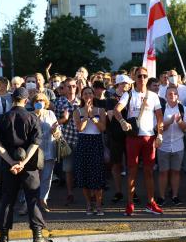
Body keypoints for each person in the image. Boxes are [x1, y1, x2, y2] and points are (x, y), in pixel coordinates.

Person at [0, 87, 52, 242]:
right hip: (29, 166)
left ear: (12, 99)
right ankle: (37, 237)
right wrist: (23, 163)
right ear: (26, 101)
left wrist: (11, 162)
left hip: (9, 166)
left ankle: (3, 239)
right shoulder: (32, 118)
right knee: (33, 199)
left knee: (7, 200)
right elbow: (35, 143)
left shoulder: (2, 118)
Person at [114, 66, 164, 216]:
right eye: (139, 76)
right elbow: (117, 110)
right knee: (132, 171)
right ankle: (130, 203)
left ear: (147, 78)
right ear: (134, 78)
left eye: (144, 76)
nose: (142, 79)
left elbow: (160, 117)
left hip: (149, 137)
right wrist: (122, 121)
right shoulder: (129, 94)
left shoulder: (153, 96)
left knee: (149, 171)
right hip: (133, 137)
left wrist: (160, 134)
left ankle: (151, 202)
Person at [73, 86, 107, 215]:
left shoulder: (101, 110)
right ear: (82, 96)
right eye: (85, 94)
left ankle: (98, 205)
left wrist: (93, 116)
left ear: (94, 95)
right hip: (83, 143)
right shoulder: (77, 111)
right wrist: (86, 115)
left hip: (96, 143)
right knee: (84, 174)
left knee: (97, 174)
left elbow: (102, 128)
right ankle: (88, 203)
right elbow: (80, 128)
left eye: (90, 93)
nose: (88, 96)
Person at [156, 86, 186, 206]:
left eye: (175, 94)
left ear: (178, 96)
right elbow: (157, 128)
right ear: (165, 96)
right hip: (163, 145)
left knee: (176, 172)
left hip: (178, 145)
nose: (172, 96)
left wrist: (180, 122)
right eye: (169, 94)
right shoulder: (161, 109)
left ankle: (175, 195)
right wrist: (168, 123)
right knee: (163, 172)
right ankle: (161, 196)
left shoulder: (183, 109)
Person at [106, 74, 133, 203]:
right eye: (125, 83)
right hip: (115, 135)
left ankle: (132, 192)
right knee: (116, 164)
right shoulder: (111, 99)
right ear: (119, 84)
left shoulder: (132, 96)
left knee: (131, 165)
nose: (127, 85)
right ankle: (118, 191)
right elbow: (111, 115)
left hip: (130, 135)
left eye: (128, 84)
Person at [32, 93, 60, 212]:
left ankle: (43, 199)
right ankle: (30, 200)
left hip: (49, 149)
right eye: (37, 100)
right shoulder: (30, 115)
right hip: (34, 151)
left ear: (46, 102)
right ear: (33, 103)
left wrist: (55, 130)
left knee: (47, 177)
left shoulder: (50, 114)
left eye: (42, 100)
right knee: (34, 177)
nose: (39, 102)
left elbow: (58, 133)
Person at [54, 78, 80, 205]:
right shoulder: (59, 102)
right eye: (68, 86)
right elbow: (55, 120)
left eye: (74, 86)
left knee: (83, 166)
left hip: (81, 137)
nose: (71, 89)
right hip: (67, 138)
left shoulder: (82, 100)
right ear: (63, 88)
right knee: (68, 168)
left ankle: (89, 193)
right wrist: (63, 119)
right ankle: (70, 193)